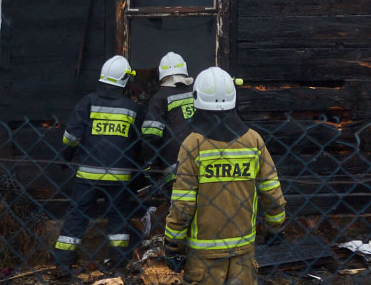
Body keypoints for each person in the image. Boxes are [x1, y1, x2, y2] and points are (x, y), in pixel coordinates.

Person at [162, 66, 286, 285]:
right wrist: (275, 228)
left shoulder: (193, 144)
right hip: (243, 252)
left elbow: (183, 204)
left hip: (204, 257)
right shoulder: (253, 140)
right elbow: (272, 192)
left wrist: (173, 245)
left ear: (197, 98)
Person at [54, 55, 145, 278]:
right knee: (118, 220)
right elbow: (139, 143)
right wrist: (139, 166)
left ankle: (63, 266)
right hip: (119, 178)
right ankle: (119, 266)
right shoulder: (132, 108)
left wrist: (65, 156)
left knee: (76, 218)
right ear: (124, 81)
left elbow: (71, 135)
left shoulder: (88, 102)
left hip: (88, 176)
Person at [141, 52, 195, 193]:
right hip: (203, 159)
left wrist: (150, 164)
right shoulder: (198, 92)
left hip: (175, 163)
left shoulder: (159, 98)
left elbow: (151, 135)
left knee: (178, 202)